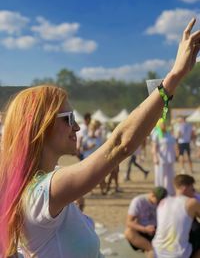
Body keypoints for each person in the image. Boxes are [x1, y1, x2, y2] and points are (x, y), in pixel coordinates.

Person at [0, 18, 200, 258]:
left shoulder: (34, 189)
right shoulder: (42, 192)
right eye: (68, 119)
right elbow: (119, 145)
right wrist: (174, 77)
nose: (77, 128)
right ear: (40, 127)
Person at [152, 174, 200, 258]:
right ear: (184, 188)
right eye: (192, 189)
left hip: (157, 251)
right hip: (178, 254)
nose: (194, 192)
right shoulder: (191, 202)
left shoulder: (163, 202)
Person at [124, 187, 167, 255]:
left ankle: (151, 250)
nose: (159, 203)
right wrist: (144, 229)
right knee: (128, 232)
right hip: (142, 229)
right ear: (152, 195)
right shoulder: (138, 201)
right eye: (158, 201)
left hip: (157, 230)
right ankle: (151, 249)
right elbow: (128, 222)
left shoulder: (164, 203)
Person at [152, 119, 176, 195]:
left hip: (170, 159)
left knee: (170, 176)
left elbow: (173, 144)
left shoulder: (169, 134)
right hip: (161, 160)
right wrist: (155, 157)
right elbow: (154, 148)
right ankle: (159, 192)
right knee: (160, 177)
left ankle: (169, 192)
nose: (164, 125)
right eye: (162, 124)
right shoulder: (157, 134)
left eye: (164, 124)